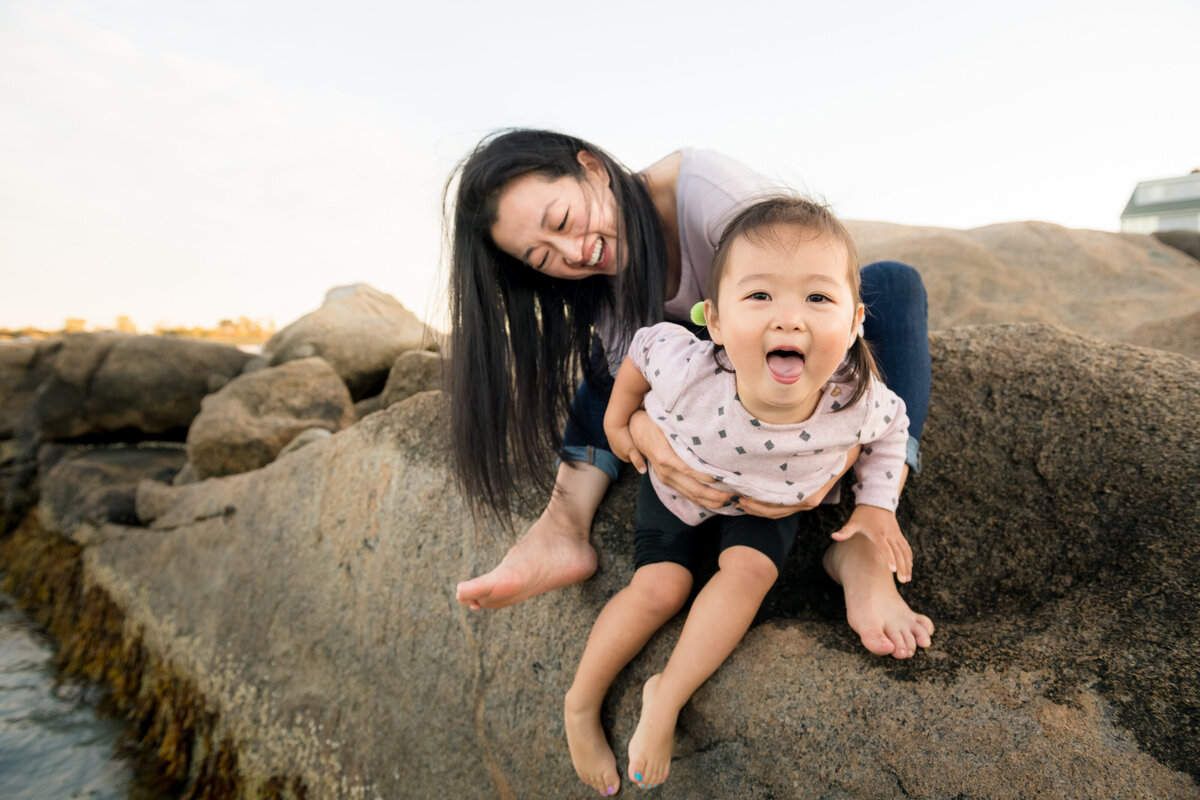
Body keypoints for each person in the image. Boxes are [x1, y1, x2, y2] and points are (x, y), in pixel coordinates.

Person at [447, 129, 932, 659]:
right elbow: (626, 391)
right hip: (698, 379)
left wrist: (836, 460)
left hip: (766, 355)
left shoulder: (707, 191)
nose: (574, 251)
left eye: (561, 221)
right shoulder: (598, 283)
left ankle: (865, 540)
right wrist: (650, 444)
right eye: (543, 257)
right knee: (609, 357)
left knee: (894, 284)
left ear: (591, 167)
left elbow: (798, 315)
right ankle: (562, 525)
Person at [566, 195, 930, 795]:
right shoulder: (692, 371)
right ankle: (580, 704)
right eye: (759, 296)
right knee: (660, 587)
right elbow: (642, 349)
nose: (789, 318)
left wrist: (874, 507)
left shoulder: (855, 398)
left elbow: (894, 430)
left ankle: (667, 695)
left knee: (748, 575)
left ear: (857, 320)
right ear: (713, 321)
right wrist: (617, 419)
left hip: (773, 502)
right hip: (681, 489)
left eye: (818, 298)